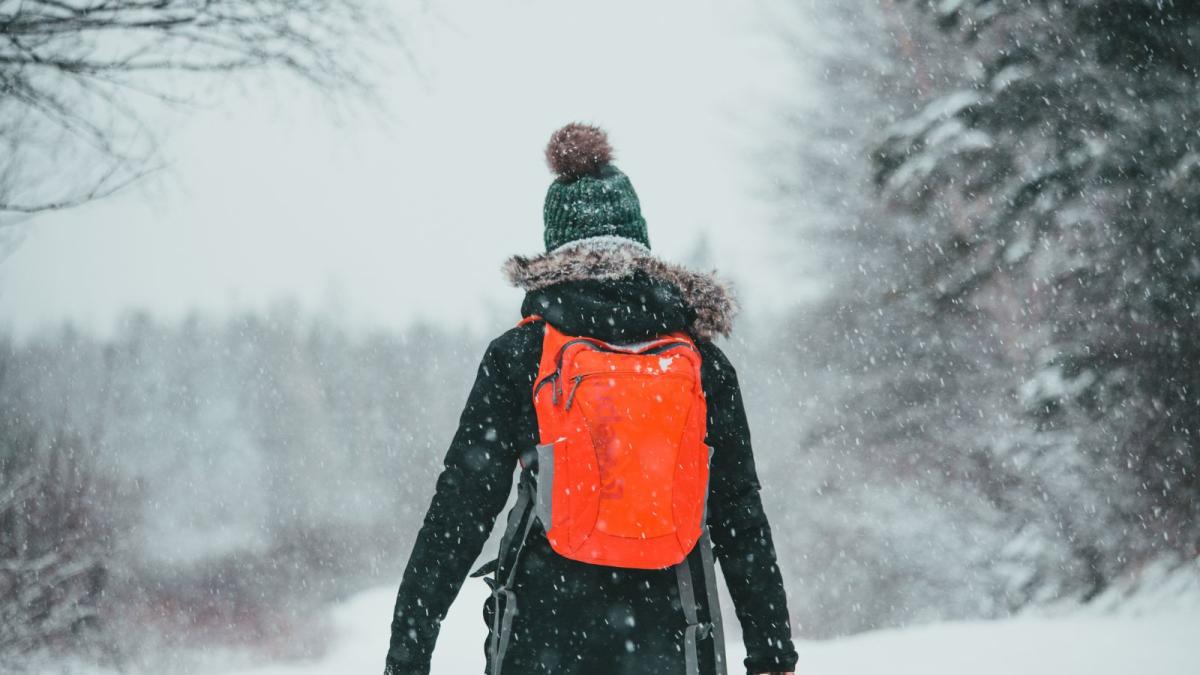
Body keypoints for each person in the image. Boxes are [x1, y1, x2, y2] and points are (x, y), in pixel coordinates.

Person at [384, 123, 798, 675]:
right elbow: (739, 514)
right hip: (674, 633)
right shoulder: (701, 363)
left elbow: (461, 506)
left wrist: (409, 649)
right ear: (641, 241)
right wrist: (772, 652)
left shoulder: (524, 354)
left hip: (543, 630)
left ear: (555, 246)